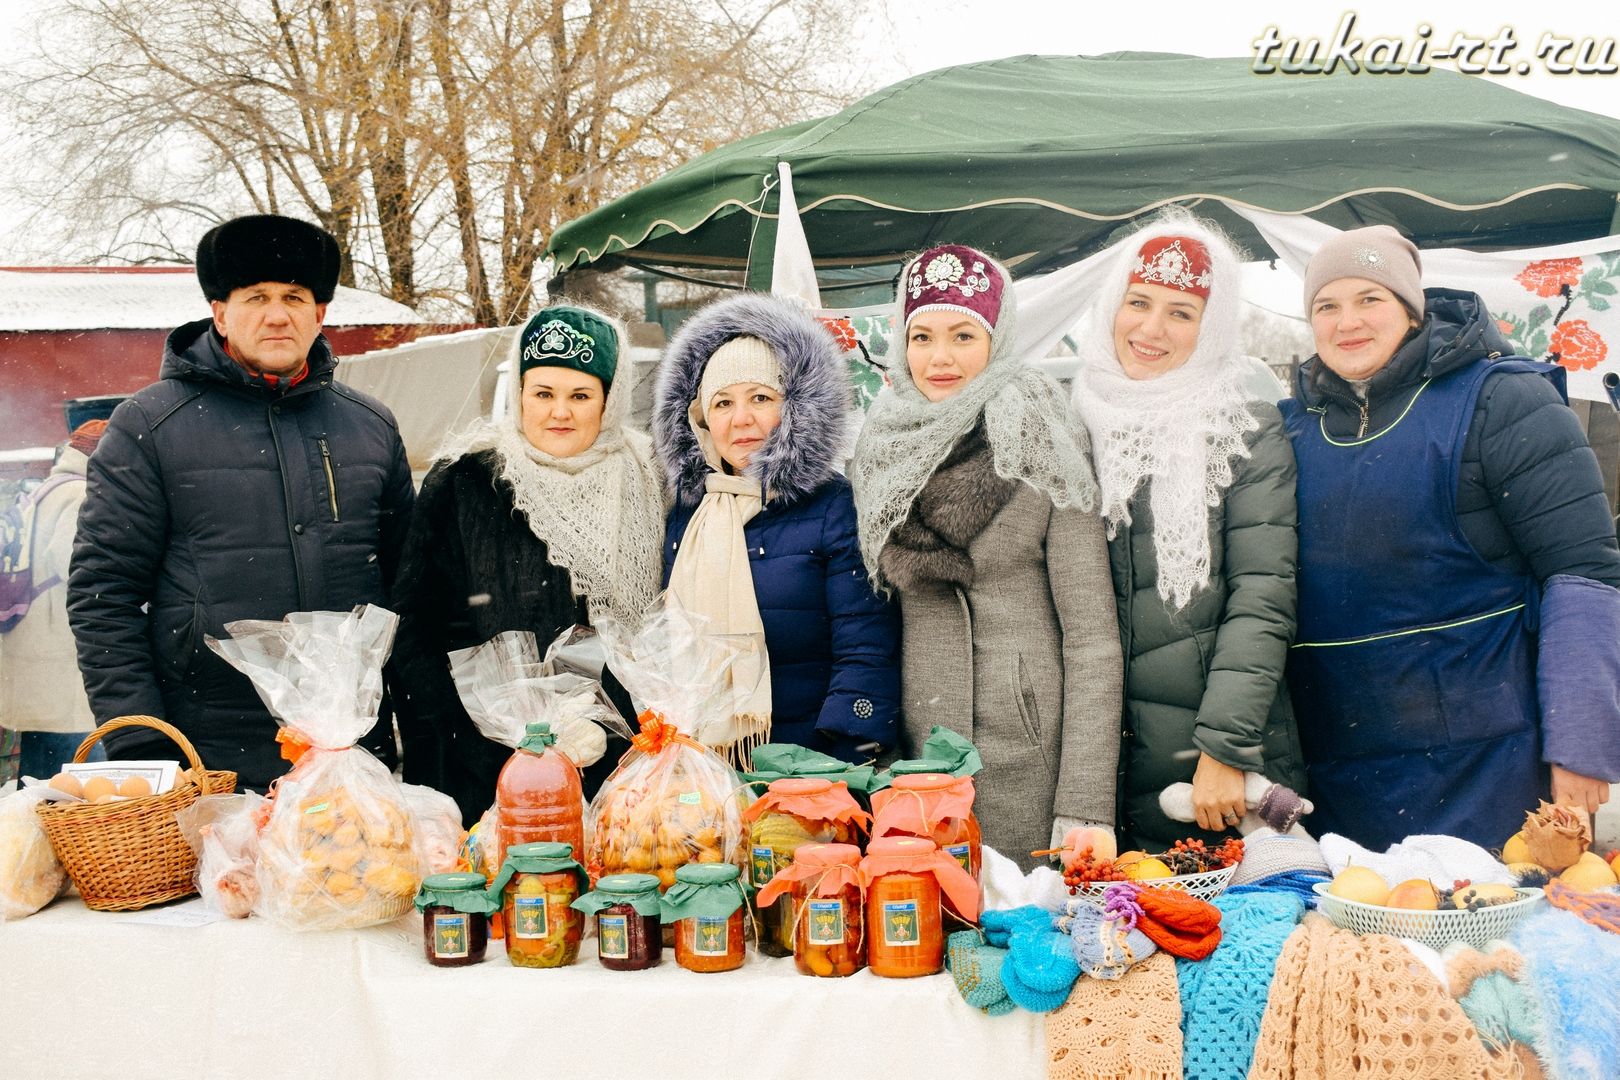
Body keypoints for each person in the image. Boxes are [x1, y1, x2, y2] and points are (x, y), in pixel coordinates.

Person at [1284, 224, 1620, 850]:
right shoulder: (1293, 430)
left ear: (1412, 311)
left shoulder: (1504, 399)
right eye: (1326, 306)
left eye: (1370, 299)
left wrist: (1581, 743)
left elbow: (1585, 572)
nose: (1346, 322)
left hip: (1490, 764)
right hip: (1340, 769)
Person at [68, 214, 414, 792]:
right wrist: (141, 741)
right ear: (220, 312)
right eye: (256, 297)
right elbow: (105, 594)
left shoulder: (370, 426)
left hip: (350, 748)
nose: (277, 314)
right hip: (209, 751)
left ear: (320, 313)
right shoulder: (150, 426)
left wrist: (421, 734)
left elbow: (408, 591)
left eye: (294, 297)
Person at [850, 243, 1123, 869]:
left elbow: (1092, 639)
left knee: (1024, 940)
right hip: (918, 755)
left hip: (1028, 750)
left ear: (997, 339)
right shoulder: (880, 447)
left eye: (963, 335)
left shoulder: (1046, 438)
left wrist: (1085, 804)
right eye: (921, 336)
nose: (939, 358)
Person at [1070, 217, 1306, 851]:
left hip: (1214, 772)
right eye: (1138, 302)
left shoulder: (1244, 431)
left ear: (1213, 327)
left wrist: (1225, 749)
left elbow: (1262, 601)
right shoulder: (1069, 424)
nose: (1150, 329)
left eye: (1181, 313)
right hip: (1093, 770)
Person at [391, 304, 665, 822]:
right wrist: (469, 742)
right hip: (492, 766)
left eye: (580, 396)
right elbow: (416, 627)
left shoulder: (653, 479)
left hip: (625, 762)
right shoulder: (465, 482)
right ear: (519, 395)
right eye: (543, 393)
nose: (559, 412)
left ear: (609, 402)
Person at [654, 292, 900, 765]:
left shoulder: (832, 505)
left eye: (761, 398)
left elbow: (865, 648)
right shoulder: (688, 515)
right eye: (722, 403)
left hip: (808, 768)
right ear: (700, 421)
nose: (741, 419)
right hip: (703, 769)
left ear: (794, 410)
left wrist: (838, 765)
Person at [1, 422, 108, 779]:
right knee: (77, 781)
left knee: (40, 777)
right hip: (61, 662)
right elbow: (76, 570)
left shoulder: (47, 490)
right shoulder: (79, 495)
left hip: (36, 659)